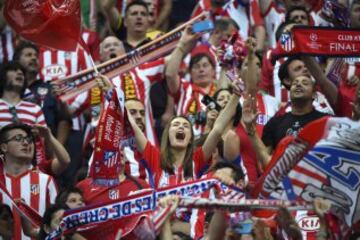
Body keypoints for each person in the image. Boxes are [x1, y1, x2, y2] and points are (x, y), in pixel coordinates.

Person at [0, 123, 58, 239]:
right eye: (18, 138)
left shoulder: (46, 181)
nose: (26, 143)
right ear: (3, 147)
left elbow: (57, 224)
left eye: (27, 139)